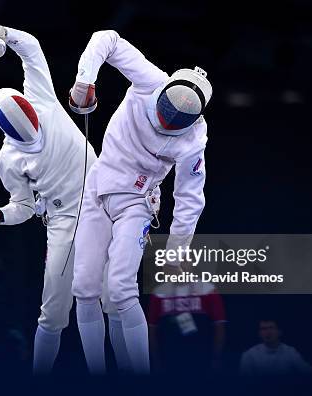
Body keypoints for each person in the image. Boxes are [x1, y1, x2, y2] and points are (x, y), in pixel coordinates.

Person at [68, 30, 213, 374]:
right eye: (168, 110)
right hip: (97, 188)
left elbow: (190, 198)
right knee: (84, 288)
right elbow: (108, 39)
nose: (169, 120)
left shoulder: (194, 139)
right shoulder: (150, 79)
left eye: (180, 119)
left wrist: (178, 252)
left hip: (137, 202)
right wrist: (84, 79)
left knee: (120, 289)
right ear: (162, 93)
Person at [0, 25, 97, 374]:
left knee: (116, 297)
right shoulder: (9, 159)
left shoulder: (41, 95)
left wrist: (0, 34)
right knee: (53, 313)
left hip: (106, 200)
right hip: (63, 223)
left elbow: (32, 46)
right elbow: (24, 206)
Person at [148, 282, 226, 374]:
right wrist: (156, 363)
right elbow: (151, 330)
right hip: (170, 362)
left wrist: (216, 359)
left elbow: (219, 326)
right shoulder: (158, 293)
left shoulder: (208, 289)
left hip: (202, 361)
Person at [240, 319, 312, 377]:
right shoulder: (249, 355)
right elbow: (246, 382)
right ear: (259, 334)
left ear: (280, 332)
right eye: (263, 329)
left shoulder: (290, 351)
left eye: (271, 328)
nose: (268, 332)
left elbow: (308, 372)